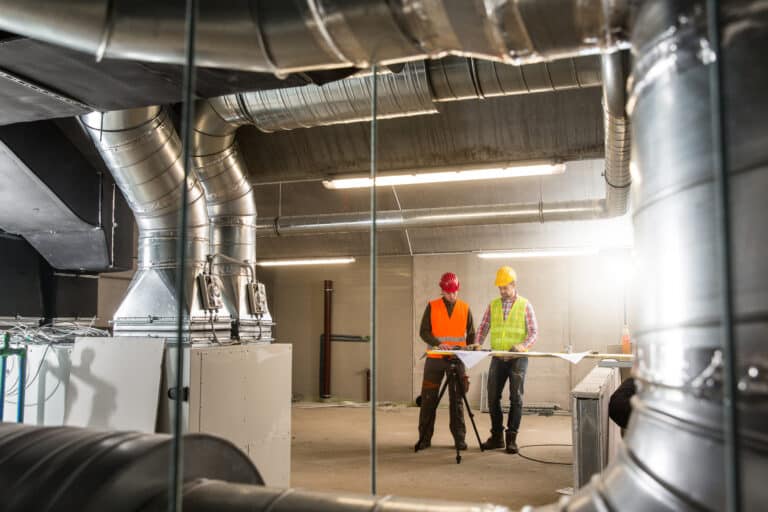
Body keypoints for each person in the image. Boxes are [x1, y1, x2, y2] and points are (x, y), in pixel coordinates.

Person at [476, 266, 538, 454]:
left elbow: (534, 333)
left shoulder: (525, 305)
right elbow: (484, 325)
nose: (502, 291)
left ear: (513, 285)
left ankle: (512, 438)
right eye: (500, 288)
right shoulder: (493, 305)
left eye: (505, 287)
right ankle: (497, 437)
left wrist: (522, 346)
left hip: (518, 358)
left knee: (516, 398)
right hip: (498, 356)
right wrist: (477, 343)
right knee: (493, 396)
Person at [415, 272, 477, 452]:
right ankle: (424, 438)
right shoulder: (432, 306)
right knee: (428, 400)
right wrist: (437, 343)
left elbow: (471, 333)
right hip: (434, 359)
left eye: (455, 292)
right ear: (442, 290)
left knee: (457, 401)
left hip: (457, 360)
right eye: (449, 292)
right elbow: (423, 331)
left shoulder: (465, 308)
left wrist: (471, 348)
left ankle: (459, 439)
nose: (452, 295)